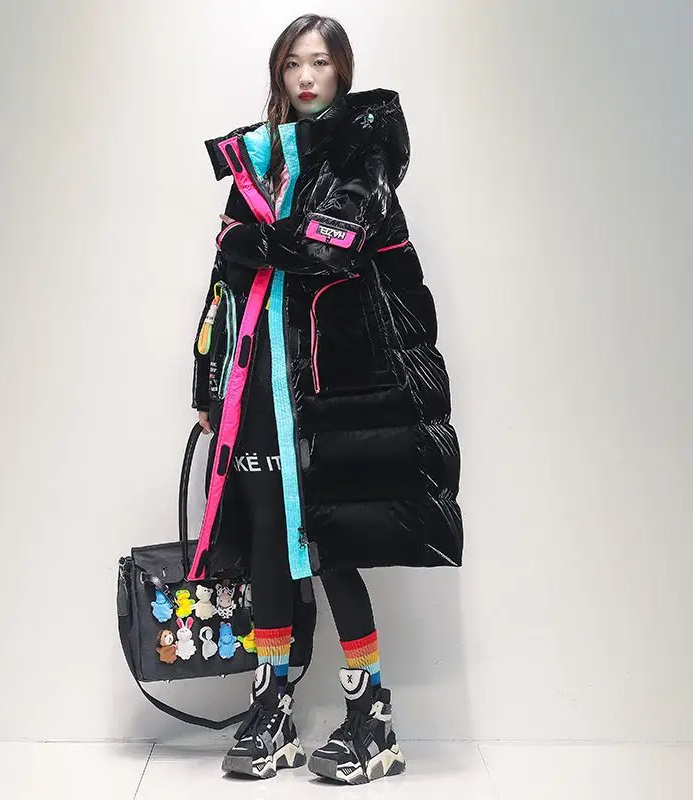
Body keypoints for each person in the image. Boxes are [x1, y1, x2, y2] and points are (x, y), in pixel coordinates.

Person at [189, 13, 463, 785]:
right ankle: (271, 709)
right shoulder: (260, 163)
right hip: (258, 387)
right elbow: (222, 288)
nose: (306, 77)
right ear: (278, 75)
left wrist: (242, 239)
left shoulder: (360, 153)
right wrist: (208, 381)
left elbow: (325, 244)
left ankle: (372, 718)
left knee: (330, 544)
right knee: (270, 542)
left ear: (342, 71)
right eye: (293, 64)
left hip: (332, 390)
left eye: (319, 63)